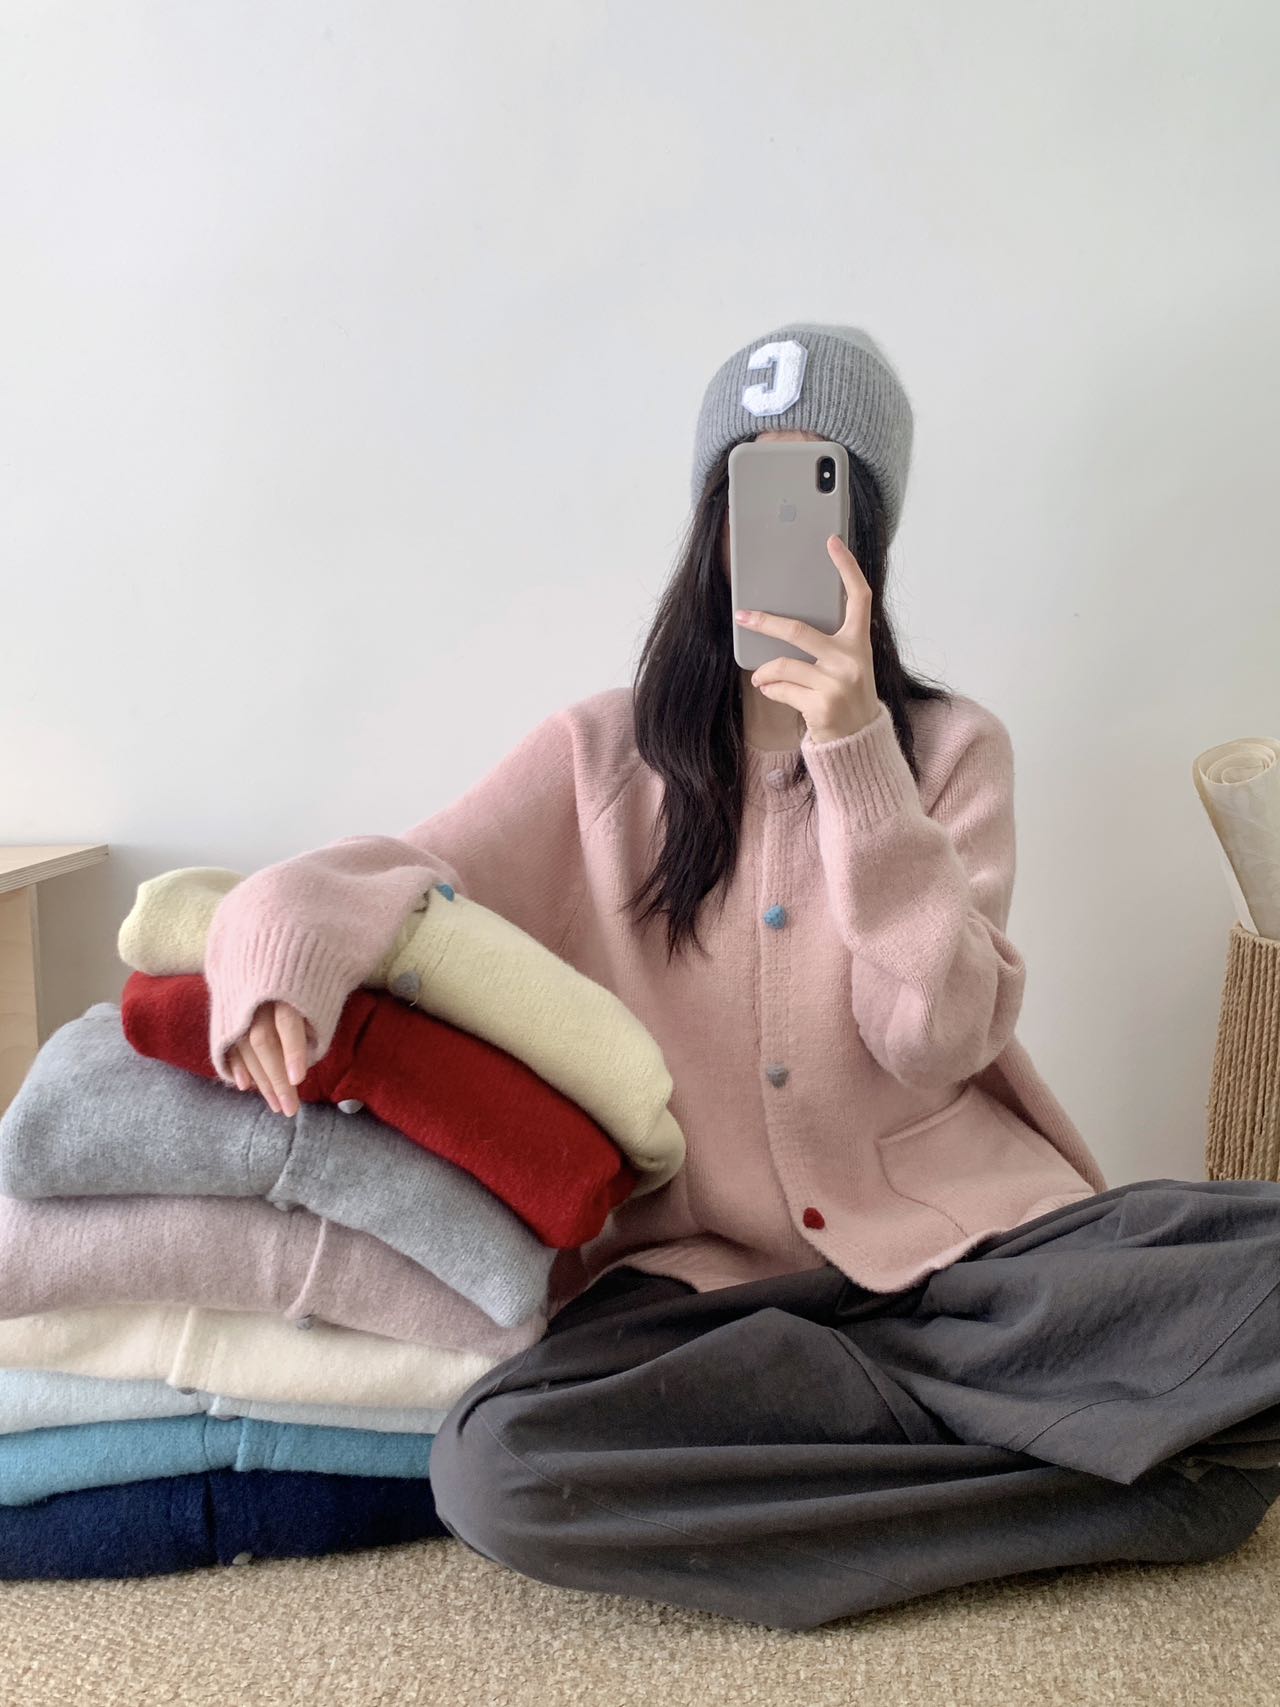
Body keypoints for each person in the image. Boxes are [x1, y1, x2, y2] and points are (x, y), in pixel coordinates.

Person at [203, 323, 1280, 1630]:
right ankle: (1112, 1482)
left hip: (972, 1264)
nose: (772, 532)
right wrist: (274, 952)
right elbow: (394, 873)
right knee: (497, 1467)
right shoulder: (598, 758)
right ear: (708, 519)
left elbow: (936, 1036)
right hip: (715, 1308)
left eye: (813, 491)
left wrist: (858, 756)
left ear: (866, 533)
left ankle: (946, 1421)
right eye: (750, 489)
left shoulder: (951, 748)